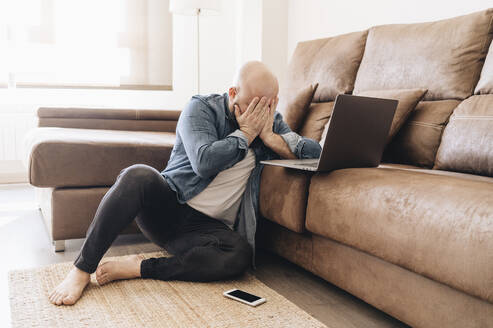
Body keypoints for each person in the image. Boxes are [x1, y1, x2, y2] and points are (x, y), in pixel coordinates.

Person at [48, 61, 322, 306]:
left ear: (274, 102)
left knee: (239, 255)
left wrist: (272, 139)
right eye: (251, 104)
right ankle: (81, 270)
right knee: (137, 174)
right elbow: (204, 162)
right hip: (169, 207)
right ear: (233, 93)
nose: (257, 113)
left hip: (205, 230)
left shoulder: (270, 123)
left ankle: (140, 267)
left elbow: (315, 153)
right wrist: (246, 134)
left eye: (266, 106)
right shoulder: (201, 108)